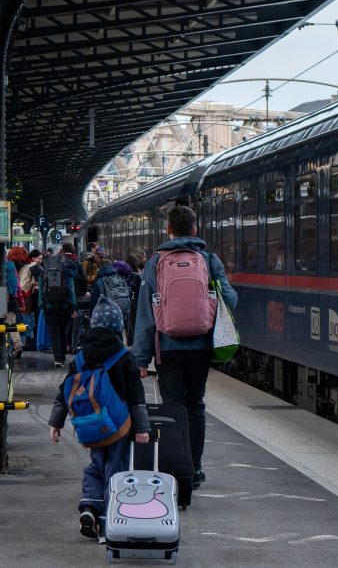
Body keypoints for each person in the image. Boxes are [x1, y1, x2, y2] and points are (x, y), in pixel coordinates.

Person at [133, 206, 237, 489]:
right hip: (200, 347)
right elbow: (230, 299)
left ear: (168, 230)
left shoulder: (156, 262)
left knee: (172, 407)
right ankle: (195, 468)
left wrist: (140, 358)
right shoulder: (208, 259)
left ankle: (175, 469)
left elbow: (145, 314)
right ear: (194, 229)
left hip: (167, 348)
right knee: (195, 404)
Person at [49, 298, 150, 541]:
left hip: (90, 426)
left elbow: (64, 392)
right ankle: (107, 522)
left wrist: (56, 423)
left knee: (96, 465)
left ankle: (89, 506)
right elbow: (136, 396)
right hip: (119, 428)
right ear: (118, 326)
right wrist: (142, 428)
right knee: (116, 468)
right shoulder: (124, 357)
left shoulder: (80, 358)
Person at [42, 242, 87, 368]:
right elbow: (72, 289)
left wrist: (43, 304)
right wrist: (73, 307)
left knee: (53, 332)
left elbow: (41, 285)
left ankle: (58, 358)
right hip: (65, 305)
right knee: (63, 331)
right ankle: (62, 356)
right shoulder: (73, 265)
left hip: (49, 304)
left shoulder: (48, 265)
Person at [5, 247, 29, 358]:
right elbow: (18, 289)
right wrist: (21, 304)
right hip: (12, 300)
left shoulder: (1, 266)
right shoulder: (12, 269)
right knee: (11, 324)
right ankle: (17, 345)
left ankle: (3, 346)